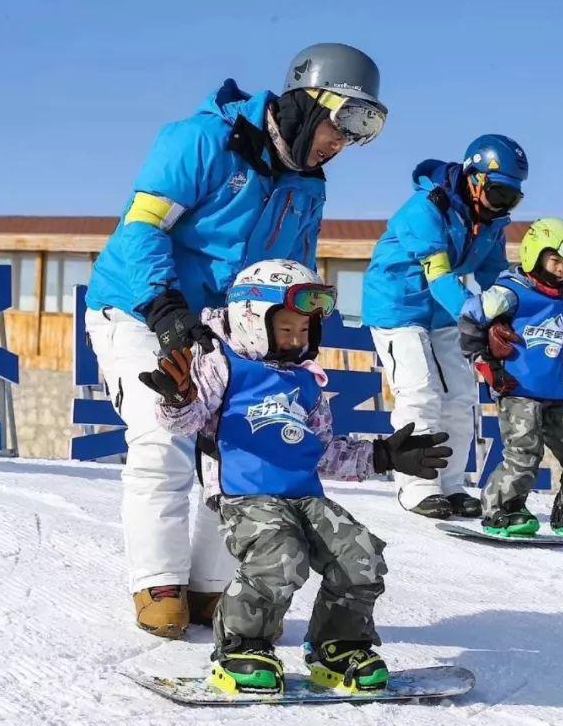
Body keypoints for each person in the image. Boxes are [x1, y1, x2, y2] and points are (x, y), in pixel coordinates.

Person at [84, 43, 388, 638]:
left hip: (228, 327)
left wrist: (289, 335)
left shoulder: (308, 184)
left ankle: (209, 587)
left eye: (358, 133)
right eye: (341, 123)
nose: (342, 144)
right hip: (141, 307)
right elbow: (142, 226)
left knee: (244, 441)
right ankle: (158, 581)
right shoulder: (201, 141)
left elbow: (290, 266)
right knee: (160, 431)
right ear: (306, 101)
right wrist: (166, 308)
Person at [140, 260, 452, 695]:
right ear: (251, 322)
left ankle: (338, 647)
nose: (296, 340)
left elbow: (323, 451)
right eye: (286, 330)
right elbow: (187, 421)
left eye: (304, 331)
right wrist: (177, 399)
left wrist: (382, 456)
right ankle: (242, 646)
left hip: (304, 495)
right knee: (279, 555)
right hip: (246, 495)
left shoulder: (306, 383)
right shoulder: (221, 364)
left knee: (359, 555)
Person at [362, 135, 527, 520]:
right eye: (498, 193)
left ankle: (451, 484)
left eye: (512, 198)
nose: (501, 205)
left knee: (462, 394)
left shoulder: (490, 225)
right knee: (420, 389)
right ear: (474, 178)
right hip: (398, 306)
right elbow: (438, 275)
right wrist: (477, 318)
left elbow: (494, 277)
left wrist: (512, 316)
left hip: (442, 312)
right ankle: (417, 485)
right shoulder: (425, 208)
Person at [458, 218, 563, 538]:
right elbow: (470, 317)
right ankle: (501, 508)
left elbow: (556, 339)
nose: (560, 269)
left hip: (553, 393)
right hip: (517, 389)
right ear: (534, 255)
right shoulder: (511, 292)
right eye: (554, 260)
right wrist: (486, 363)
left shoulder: (558, 303)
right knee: (524, 453)